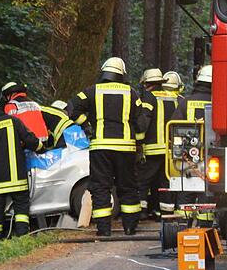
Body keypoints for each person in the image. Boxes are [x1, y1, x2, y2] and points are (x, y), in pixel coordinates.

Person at [67, 57, 152, 236]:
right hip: (125, 149)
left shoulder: (91, 91)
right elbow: (141, 123)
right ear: (122, 74)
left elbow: (71, 109)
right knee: (128, 186)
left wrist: (87, 125)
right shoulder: (132, 93)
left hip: (100, 148)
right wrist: (137, 142)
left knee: (100, 187)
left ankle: (104, 229)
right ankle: (130, 227)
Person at [0, 95, 42, 238]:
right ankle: (23, 237)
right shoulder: (13, 121)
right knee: (21, 208)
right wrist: (41, 146)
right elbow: (30, 140)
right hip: (17, 178)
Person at [137, 68, 168, 218]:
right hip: (169, 151)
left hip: (153, 148)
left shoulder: (149, 98)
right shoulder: (172, 97)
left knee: (144, 180)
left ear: (147, 84)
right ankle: (165, 211)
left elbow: (144, 122)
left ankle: (142, 210)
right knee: (164, 182)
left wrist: (138, 139)